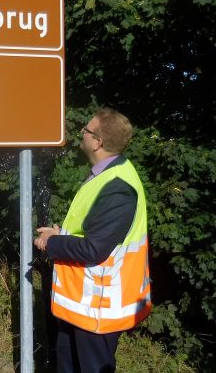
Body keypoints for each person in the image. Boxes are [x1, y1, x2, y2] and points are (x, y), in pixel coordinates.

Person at [34, 107, 151, 373]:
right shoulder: (105, 174)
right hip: (81, 304)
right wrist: (61, 234)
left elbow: (94, 248)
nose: (81, 133)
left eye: (86, 130)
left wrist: (52, 243)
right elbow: (94, 233)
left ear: (97, 142)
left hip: (99, 309)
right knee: (66, 362)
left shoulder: (118, 187)